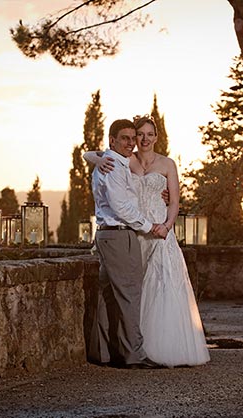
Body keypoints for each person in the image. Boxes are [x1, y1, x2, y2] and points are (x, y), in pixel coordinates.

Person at [84, 115, 210, 368]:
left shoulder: (166, 164)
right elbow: (91, 154)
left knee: (159, 285)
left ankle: (159, 345)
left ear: (156, 137)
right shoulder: (121, 160)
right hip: (133, 231)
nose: (142, 139)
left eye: (148, 134)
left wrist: (165, 226)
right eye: (138, 134)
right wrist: (97, 158)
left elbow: (174, 201)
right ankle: (130, 352)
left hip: (157, 230)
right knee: (129, 292)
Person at [88, 118, 166, 369]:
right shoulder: (112, 165)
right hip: (119, 234)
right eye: (125, 138)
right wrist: (148, 226)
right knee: (130, 294)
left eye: (133, 138)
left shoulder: (115, 163)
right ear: (112, 140)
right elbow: (121, 206)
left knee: (108, 294)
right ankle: (134, 355)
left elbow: (128, 196)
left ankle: (104, 353)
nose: (131, 143)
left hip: (109, 234)